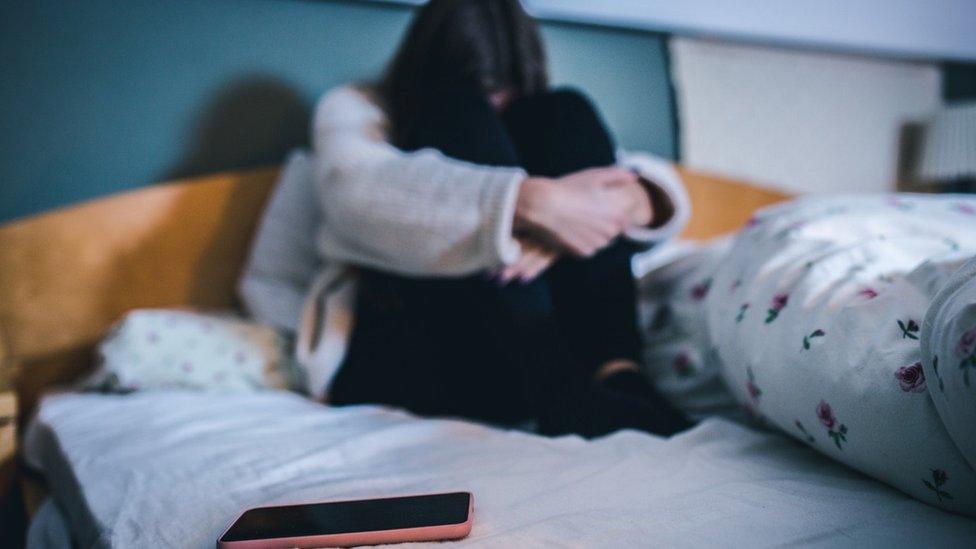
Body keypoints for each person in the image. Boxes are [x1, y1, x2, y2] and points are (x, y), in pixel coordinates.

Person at [307, 0, 692, 437]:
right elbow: (355, 194)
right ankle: (560, 391)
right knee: (455, 113)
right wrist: (528, 204)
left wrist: (578, 216)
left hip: (532, 358)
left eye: (502, 87)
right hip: (413, 351)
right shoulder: (357, 107)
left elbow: (652, 188)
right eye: (482, 87)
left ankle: (620, 373)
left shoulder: (536, 118)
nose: (493, 103)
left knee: (566, 111)